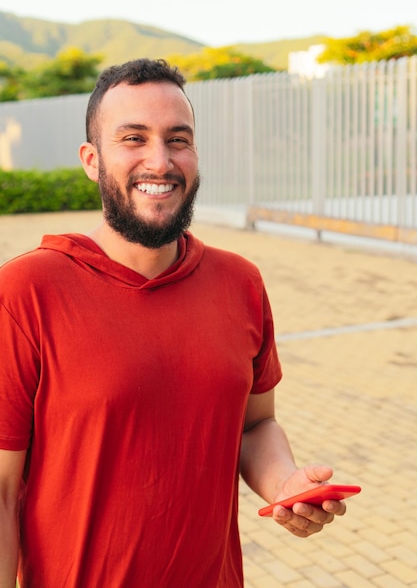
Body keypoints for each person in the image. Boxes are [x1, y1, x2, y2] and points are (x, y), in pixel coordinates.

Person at [0, 58, 346, 588]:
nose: (159, 161)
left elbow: (254, 425)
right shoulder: (26, 292)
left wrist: (284, 484)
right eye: (133, 139)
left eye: (177, 139)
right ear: (92, 160)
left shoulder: (240, 282)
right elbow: (2, 492)